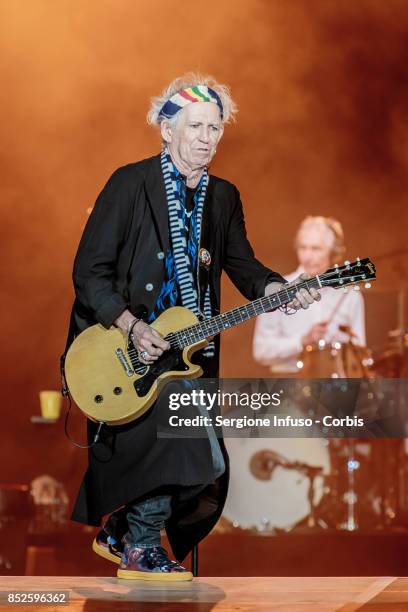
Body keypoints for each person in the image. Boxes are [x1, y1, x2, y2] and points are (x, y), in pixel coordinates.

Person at [66, 74, 320, 581]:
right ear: (167, 129)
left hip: (187, 352)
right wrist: (132, 326)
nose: (207, 137)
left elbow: (242, 265)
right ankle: (139, 546)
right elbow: (88, 272)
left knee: (210, 468)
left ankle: (121, 532)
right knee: (182, 449)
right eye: (196, 125)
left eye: (215, 128)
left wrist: (277, 290)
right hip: (122, 348)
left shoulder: (223, 196)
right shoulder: (129, 182)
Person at [253, 216, 366, 374]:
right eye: (303, 248)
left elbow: (360, 349)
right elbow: (261, 350)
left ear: (333, 252)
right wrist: (302, 341)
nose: (307, 256)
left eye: (316, 249)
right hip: (289, 385)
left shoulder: (350, 295)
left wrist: (341, 342)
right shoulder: (276, 290)